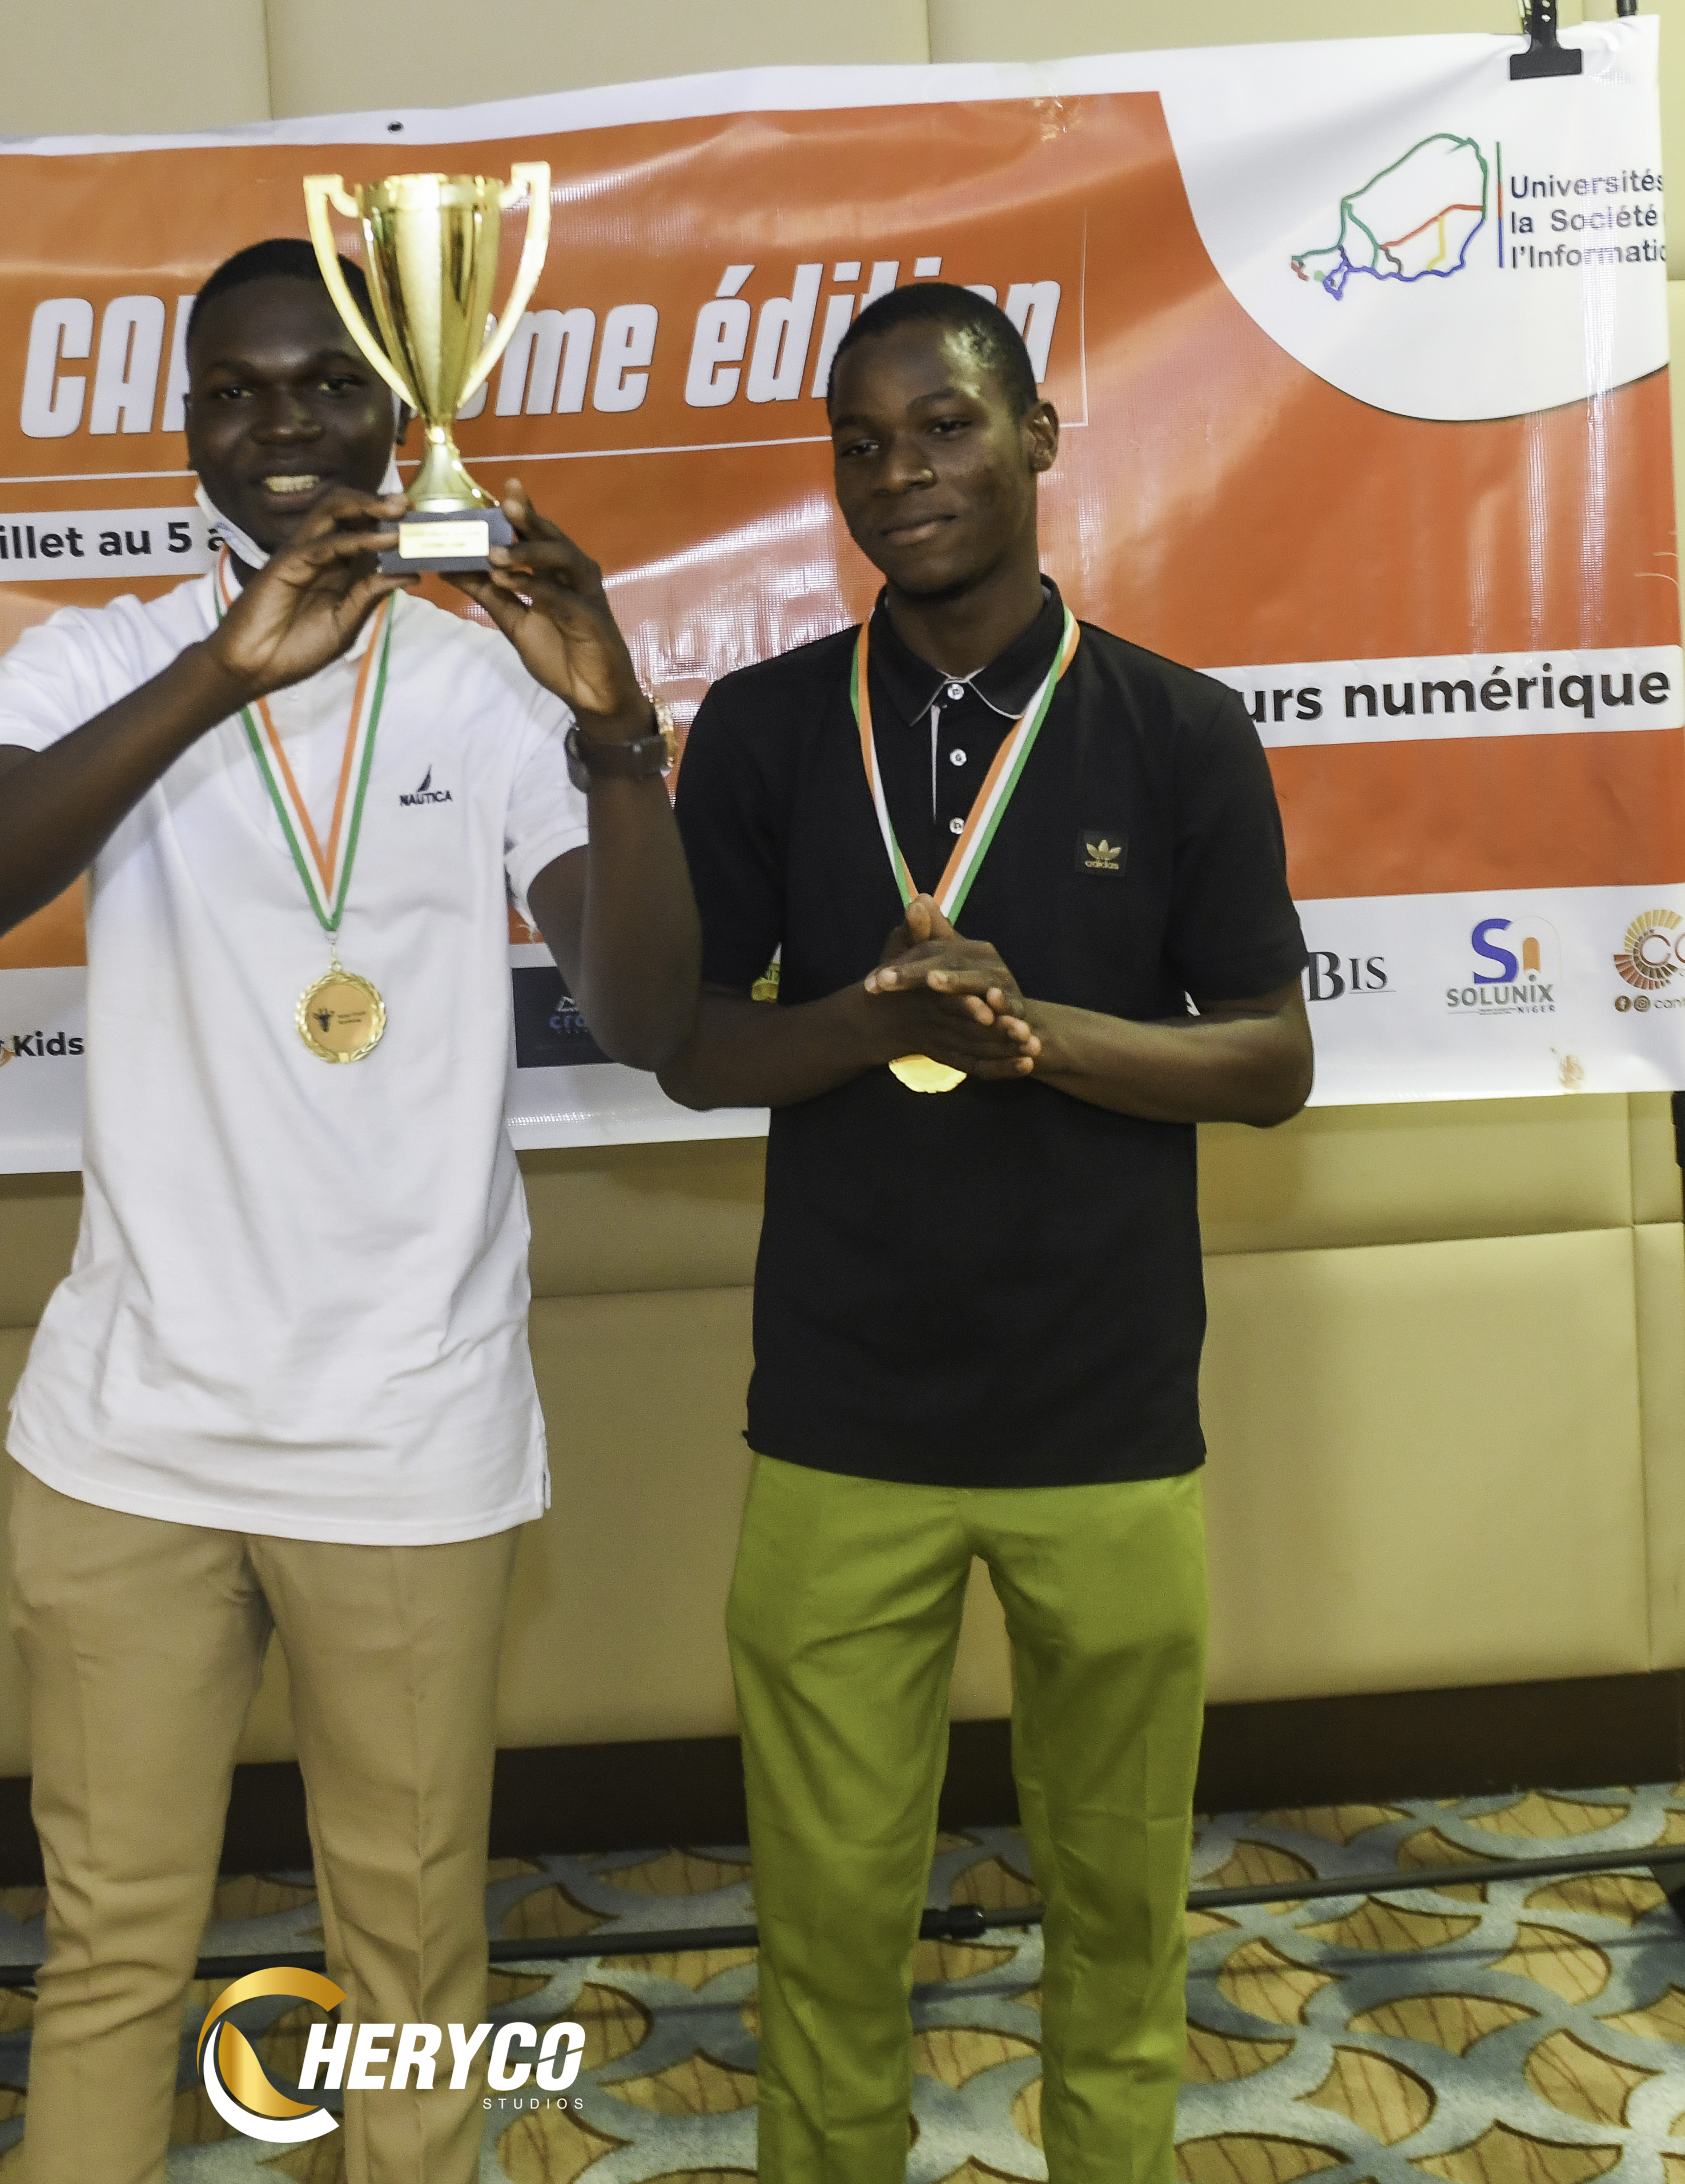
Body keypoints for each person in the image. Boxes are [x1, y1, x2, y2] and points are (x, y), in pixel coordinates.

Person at [0, 238, 698, 2184]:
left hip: (402, 1435)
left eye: (326, 386)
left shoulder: (480, 685)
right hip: (130, 1433)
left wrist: (613, 732)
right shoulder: (91, 660)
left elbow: (651, 1012)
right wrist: (216, 674)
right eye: (235, 393)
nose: (280, 429)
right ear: (186, 423)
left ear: (397, 413)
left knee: (408, 1956)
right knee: (110, 1950)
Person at [657, 283, 1313, 2184]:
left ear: (1035, 438)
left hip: (1105, 1421)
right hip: (838, 1424)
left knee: (1116, 1901)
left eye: (942, 426)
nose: (900, 473)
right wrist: (875, 1024)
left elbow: (1267, 1059)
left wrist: (1039, 1036)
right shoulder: (766, 727)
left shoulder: (1177, 728)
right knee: (825, 1914)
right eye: (859, 444)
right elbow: (692, 1047)